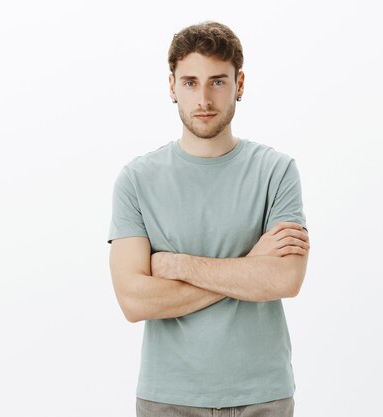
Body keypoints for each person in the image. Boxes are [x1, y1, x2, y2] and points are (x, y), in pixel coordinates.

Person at [107, 21, 310, 417]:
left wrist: (175, 265)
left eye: (217, 82)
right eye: (189, 83)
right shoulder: (137, 179)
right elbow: (133, 300)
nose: (203, 98)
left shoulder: (276, 171)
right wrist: (250, 267)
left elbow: (285, 279)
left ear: (240, 84)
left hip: (262, 394)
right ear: (171, 87)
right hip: (168, 396)